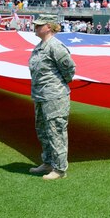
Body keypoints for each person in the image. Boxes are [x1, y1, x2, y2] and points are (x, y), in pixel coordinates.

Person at [29, 14, 76, 180]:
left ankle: (60, 168)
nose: (35, 27)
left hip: (54, 97)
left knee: (56, 131)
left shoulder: (56, 47)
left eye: (39, 25)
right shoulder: (40, 46)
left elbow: (69, 70)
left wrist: (57, 85)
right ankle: (48, 162)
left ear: (49, 27)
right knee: (43, 130)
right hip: (40, 96)